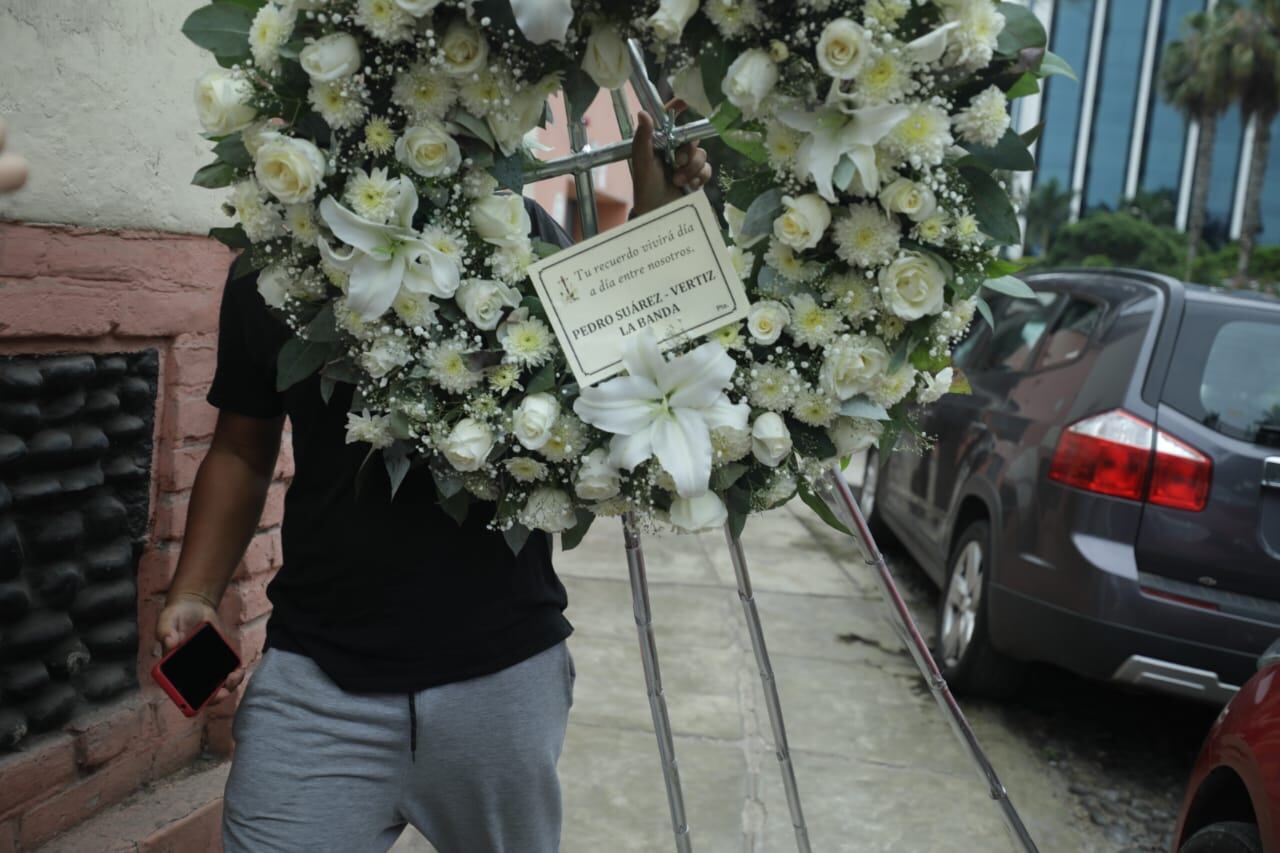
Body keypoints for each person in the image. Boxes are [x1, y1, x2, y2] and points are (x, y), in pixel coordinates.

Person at [156, 108, 710, 853]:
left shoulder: (520, 237)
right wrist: (194, 592)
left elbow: (619, 393)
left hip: (501, 679)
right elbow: (242, 447)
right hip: (316, 682)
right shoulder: (277, 265)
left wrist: (654, 221)